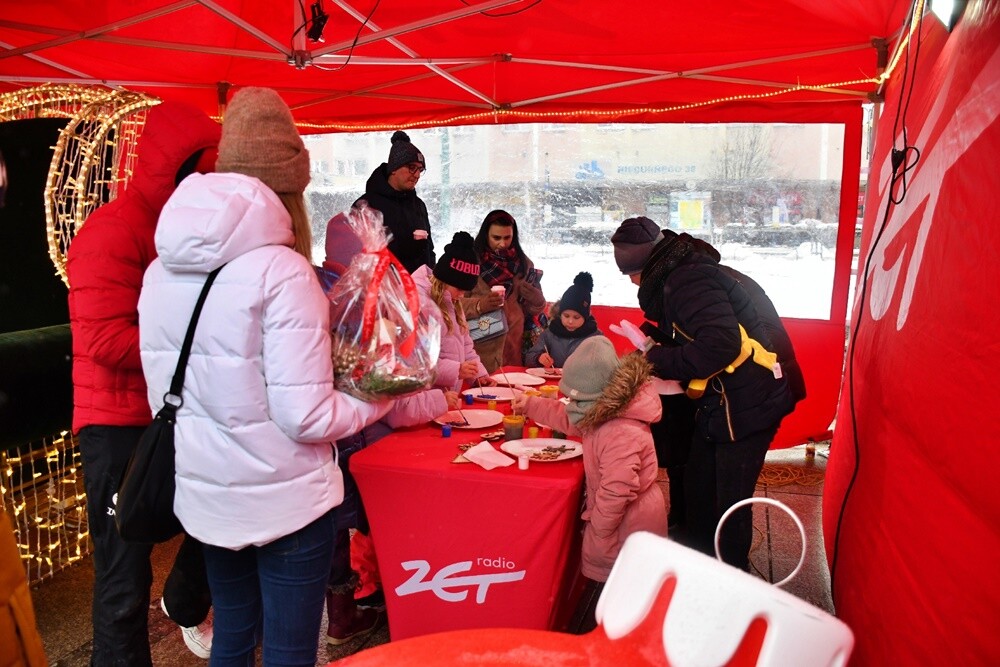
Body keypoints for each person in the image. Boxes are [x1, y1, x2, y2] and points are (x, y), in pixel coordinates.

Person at [138, 87, 390, 666]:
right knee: (288, 651)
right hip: (289, 505)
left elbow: (168, 398)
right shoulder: (284, 271)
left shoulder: (161, 269)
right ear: (291, 187)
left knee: (231, 639)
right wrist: (374, 399)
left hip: (207, 499)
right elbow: (307, 417)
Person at [66, 100, 219, 665]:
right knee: (123, 584)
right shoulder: (110, 232)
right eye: (198, 174)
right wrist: (195, 353)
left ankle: (183, 599)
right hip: (117, 426)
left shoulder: (187, 233)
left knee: (223, 519)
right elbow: (103, 340)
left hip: (169, 416)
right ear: (170, 171)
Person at [610, 216, 796, 570]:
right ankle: (695, 563)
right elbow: (699, 330)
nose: (632, 283)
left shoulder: (687, 280)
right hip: (725, 399)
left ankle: (729, 578)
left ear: (644, 266)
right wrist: (654, 341)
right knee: (698, 483)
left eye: (630, 274)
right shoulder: (683, 270)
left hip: (747, 402)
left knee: (728, 501)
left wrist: (656, 357)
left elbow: (719, 345)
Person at [318, 214, 460, 645]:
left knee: (344, 526)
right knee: (341, 529)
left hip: (343, 434)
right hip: (338, 435)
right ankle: (348, 611)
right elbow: (378, 379)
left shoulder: (326, 286)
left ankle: (354, 605)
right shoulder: (343, 297)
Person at [512, 335, 666, 633]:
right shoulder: (605, 407)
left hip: (627, 524)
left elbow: (616, 491)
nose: (573, 405)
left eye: (578, 399)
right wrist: (531, 405)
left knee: (624, 594)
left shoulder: (620, 430)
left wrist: (598, 530)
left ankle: (615, 641)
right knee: (617, 589)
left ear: (599, 395)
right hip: (619, 518)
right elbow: (571, 417)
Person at [413, 231, 497, 391]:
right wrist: (456, 370)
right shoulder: (420, 303)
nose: (462, 295)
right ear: (445, 279)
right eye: (459, 288)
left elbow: (465, 344)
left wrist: (478, 374)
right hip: (426, 395)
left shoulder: (452, 301)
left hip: (448, 396)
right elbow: (417, 359)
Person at [466, 210, 546, 371]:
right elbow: (449, 303)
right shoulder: (469, 263)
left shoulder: (524, 264)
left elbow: (531, 309)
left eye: (507, 238)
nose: (502, 244)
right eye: (496, 238)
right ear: (485, 235)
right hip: (480, 350)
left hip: (514, 347)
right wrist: (480, 304)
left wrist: (536, 300)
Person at [354, 130, 433, 274]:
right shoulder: (366, 205)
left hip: (419, 290)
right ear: (394, 169)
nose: (417, 175)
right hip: (383, 291)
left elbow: (429, 250)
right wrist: (402, 249)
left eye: (420, 170)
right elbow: (357, 254)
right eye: (411, 168)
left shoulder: (419, 206)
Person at [525, 271, 602, 368]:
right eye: (566, 316)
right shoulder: (550, 333)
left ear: (585, 317)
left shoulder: (596, 337)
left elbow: (606, 365)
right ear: (560, 314)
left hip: (582, 382)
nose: (570, 321)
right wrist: (539, 358)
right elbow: (529, 357)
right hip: (552, 380)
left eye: (576, 317)